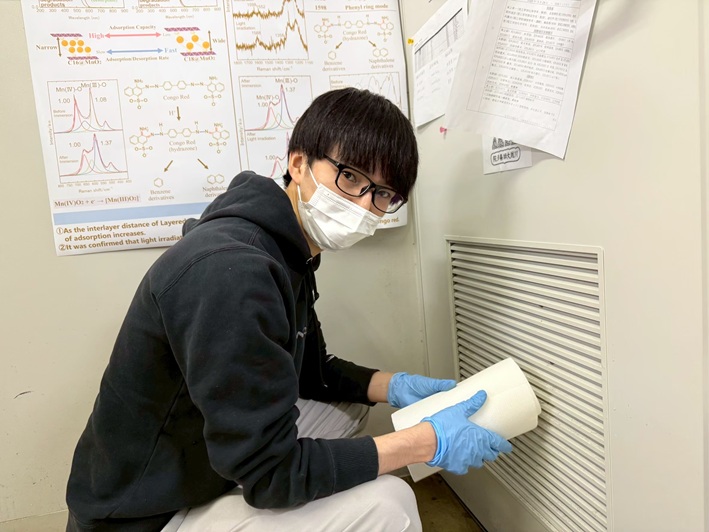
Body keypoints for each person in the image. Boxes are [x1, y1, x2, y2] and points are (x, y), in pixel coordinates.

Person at [65, 88, 512, 532]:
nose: (363, 204)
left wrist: (394, 386)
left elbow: (310, 373)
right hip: (139, 517)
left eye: (382, 194)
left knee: (348, 407)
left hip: (197, 462)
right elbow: (271, 474)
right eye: (351, 177)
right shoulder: (234, 272)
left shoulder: (285, 250)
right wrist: (425, 442)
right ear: (299, 164)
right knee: (391, 505)